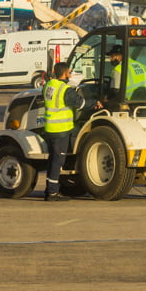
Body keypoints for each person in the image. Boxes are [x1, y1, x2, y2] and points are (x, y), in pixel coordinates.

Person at [42, 61, 84, 201]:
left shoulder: (49, 85)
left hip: (50, 128)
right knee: (57, 162)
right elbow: (80, 103)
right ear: (65, 73)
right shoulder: (65, 89)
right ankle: (53, 193)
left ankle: (49, 190)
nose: (70, 74)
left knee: (52, 160)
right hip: (61, 130)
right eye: (69, 72)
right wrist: (94, 103)